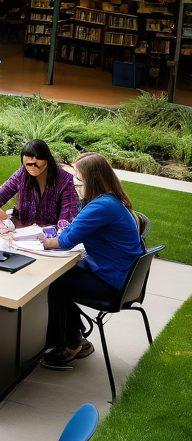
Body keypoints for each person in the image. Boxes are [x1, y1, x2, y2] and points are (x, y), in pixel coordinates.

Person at [38, 153, 145, 369]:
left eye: (79, 179)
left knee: (57, 284)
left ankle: (70, 343)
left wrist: (44, 240)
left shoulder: (101, 206)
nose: (75, 184)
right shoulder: (110, 200)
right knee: (61, 276)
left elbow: (66, 241)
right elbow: (74, 227)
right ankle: (75, 337)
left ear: (92, 179)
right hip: (120, 274)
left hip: (114, 282)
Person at [0, 139, 79, 232]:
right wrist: (6, 220)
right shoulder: (22, 174)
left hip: (51, 238)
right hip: (21, 233)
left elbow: (67, 221)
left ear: (47, 159)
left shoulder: (65, 180)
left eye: (35, 164)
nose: (31, 168)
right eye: (27, 165)